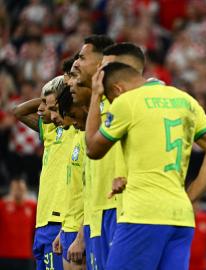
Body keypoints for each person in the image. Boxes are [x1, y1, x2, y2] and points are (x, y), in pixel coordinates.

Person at [85, 62, 206, 270]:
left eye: (110, 97)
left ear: (118, 89)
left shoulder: (127, 102)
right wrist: (188, 198)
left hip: (143, 215)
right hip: (181, 219)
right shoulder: (186, 101)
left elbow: (93, 149)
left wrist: (95, 96)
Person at [13, 75, 76, 270]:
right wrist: (46, 99)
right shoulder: (50, 129)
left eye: (50, 106)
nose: (41, 110)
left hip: (60, 219)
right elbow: (19, 111)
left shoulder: (75, 127)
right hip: (43, 220)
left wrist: (59, 96)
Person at [73, 35, 124, 270]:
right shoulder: (97, 108)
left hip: (116, 210)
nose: (77, 64)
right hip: (95, 216)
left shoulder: (120, 101)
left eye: (82, 58)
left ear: (101, 63)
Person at [52, 87, 88, 270]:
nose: (53, 116)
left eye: (55, 110)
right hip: (69, 227)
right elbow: (74, 189)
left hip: (82, 229)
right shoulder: (74, 135)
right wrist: (63, 228)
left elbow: (93, 189)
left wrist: (81, 236)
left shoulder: (89, 138)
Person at [0, 178, 36, 270]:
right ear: (11, 190)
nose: (18, 191)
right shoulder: (2, 206)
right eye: (15, 188)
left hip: (26, 256)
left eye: (20, 189)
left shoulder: (33, 206)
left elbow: (35, 230)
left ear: (26, 190)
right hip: (5, 256)